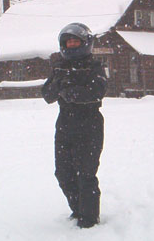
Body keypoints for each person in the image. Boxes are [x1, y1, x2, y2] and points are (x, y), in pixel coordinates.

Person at [41, 22, 108, 228]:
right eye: (68, 42)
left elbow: (97, 91)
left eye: (75, 42)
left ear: (85, 43)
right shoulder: (59, 66)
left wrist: (71, 92)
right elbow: (47, 94)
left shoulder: (94, 66)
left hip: (89, 124)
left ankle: (89, 219)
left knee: (85, 173)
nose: (71, 45)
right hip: (65, 124)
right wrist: (59, 85)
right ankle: (78, 209)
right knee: (63, 173)